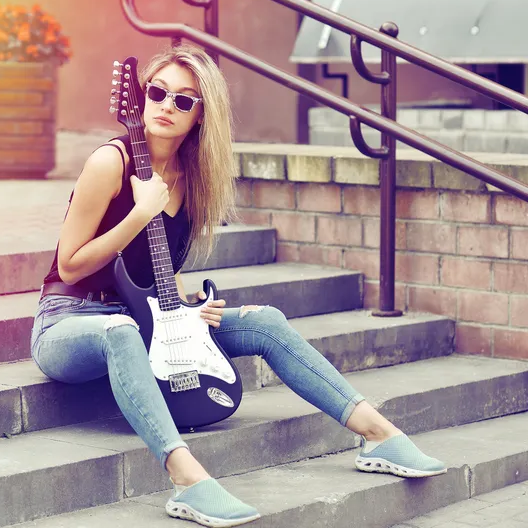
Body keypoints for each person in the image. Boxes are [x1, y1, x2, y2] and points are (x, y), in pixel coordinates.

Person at [31, 44, 446, 528]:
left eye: (184, 100)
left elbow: (157, 269)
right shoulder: (111, 162)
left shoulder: (195, 179)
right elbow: (71, 265)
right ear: (141, 96)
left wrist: (184, 311)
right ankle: (188, 482)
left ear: (202, 116)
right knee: (120, 329)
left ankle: (378, 433)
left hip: (145, 322)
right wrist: (140, 212)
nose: (167, 105)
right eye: (158, 91)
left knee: (264, 322)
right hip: (70, 321)